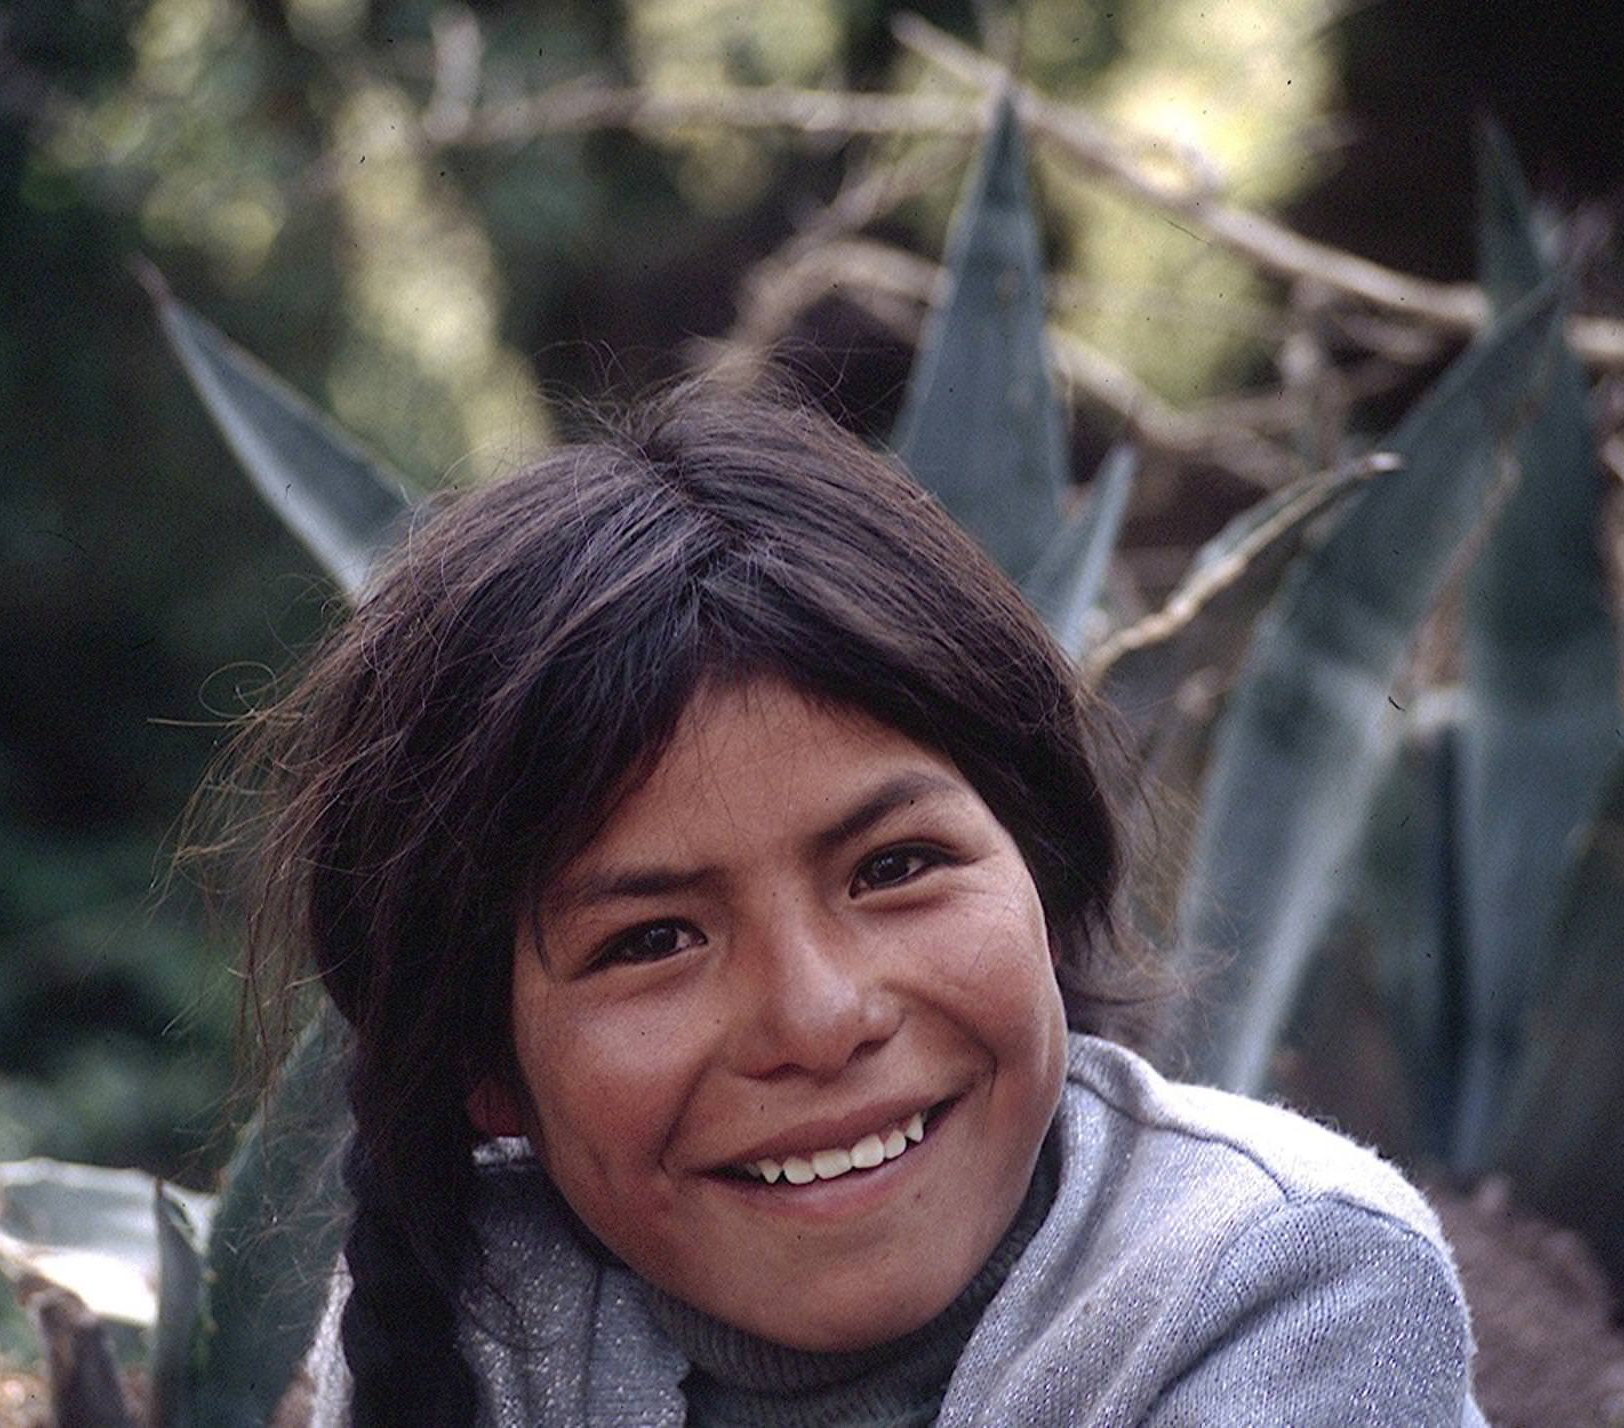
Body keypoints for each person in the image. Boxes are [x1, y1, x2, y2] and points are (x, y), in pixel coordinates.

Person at [233, 385, 1487, 1426]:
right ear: (486, 1068)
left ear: (1042, 876)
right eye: (652, 940)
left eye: (893, 868)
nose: (820, 1018)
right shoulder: (478, 1317)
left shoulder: (1283, 1284)